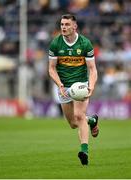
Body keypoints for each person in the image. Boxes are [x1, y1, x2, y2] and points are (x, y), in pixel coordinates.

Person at [48, 14, 99, 165]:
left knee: (79, 115)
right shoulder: (56, 44)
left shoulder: (85, 44)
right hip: (64, 86)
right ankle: (92, 120)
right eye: (62, 24)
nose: (63, 27)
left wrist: (91, 86)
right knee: (72, 123)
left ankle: (84, 151)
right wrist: (60, 85)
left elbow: (93, 69)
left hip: (81, 85)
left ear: (74, 26)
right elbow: (51, 69)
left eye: (67, 24)